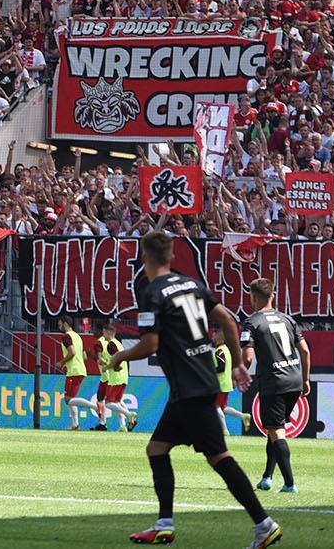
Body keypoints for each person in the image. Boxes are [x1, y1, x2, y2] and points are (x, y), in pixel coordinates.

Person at [109, 231, 280, 549]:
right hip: (194, 383)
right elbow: (228, 320)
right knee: (156, 448)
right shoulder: (191, 284)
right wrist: (240, 363)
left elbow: (150, 343)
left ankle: (264, 523)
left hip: (190, 386)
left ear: (144, 257)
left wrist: (120, 355)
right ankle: (164, 523)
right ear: (171, 257)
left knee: (219, 457)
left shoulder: (151, 292)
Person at [242, 278, 309, 493]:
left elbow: (248, 358)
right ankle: (267, 477)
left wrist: (240, 372)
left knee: (276, 431)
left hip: (274, 381)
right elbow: (305, 351)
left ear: (253, 297)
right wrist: (306, 379)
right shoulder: (288, 319)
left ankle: (290, 483)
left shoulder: (252, 322)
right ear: (273, 296)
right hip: (295, 379)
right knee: (274, 428)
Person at [95, 320, 135, 432]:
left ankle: (129, 414)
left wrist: (107, 367)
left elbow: (116, 358)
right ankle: (123, 426)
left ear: (109, 333)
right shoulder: (118, 343)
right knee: (116, 402)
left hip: (116, 378)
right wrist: (108, 364)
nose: (103, 335)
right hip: (123, 376)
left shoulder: (111, 344)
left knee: (108, 403)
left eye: (104, 332)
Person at [61, 315, 94, 430]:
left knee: (68, 400)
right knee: (70, 399)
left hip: (74, 371)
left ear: (65, 324)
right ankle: (75, 425)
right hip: (78, 369)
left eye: (60, 324)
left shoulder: (66, 337)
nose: (59, 326)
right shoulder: (77, 336)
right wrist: (68, 363)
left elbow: (72, 352)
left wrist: (62, 362)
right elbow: (84, 356)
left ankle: (95, 406)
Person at [213, 329, 248, 431]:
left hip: (221, 384)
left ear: (218, 338)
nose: (212, 337)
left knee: (216, 407)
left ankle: (224, 430)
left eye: (214, 335)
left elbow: (221, 367)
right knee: (223, 407)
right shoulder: (227, 350)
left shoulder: (220, 351)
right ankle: (243, 416)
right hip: (226, 383)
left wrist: (209, 370)